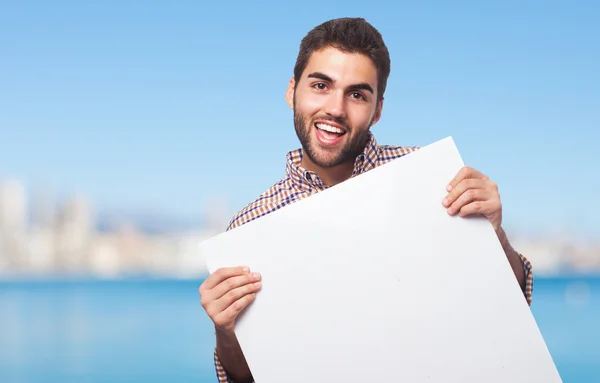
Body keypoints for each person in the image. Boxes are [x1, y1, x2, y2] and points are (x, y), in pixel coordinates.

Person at [198, 17, 534, 383]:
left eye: (357, 94)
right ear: (292, 91)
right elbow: (249, 377)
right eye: (321, 85)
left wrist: (494, 236)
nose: (336, 109)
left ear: (377, 110)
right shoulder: (250, 227)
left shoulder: (435, 181)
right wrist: (227, 332)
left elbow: (506, 309)